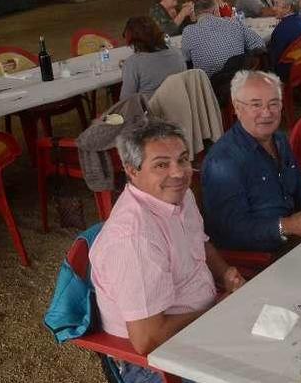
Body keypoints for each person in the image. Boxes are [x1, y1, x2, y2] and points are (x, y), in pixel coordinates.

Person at [90, 120, 245, 369]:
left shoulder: (180, 195)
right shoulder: (134, 240)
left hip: (206, 319)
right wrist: (216, 310)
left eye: (183, 160)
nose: (178, 173)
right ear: (132, 171)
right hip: (160, 360)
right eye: (161, 164)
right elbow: (147, 340)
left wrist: (225, 273)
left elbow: (200, 244)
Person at [201, 71, 301, 251]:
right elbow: (230, 231)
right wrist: (287, 226)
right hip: (265, 257)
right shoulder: (223, 161)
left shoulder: (280, 140)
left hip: (297, 241)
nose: (267, 112)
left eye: (273, 103)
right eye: (256, 105)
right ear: (237, 108)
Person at [180, 0, 266, 78]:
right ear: (215, 11)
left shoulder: (188, 32)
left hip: (210, 87)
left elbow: (184, 58)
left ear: (195, 15)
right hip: (240, 80)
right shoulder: (234, 23)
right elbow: (259, 44)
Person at [119, 17, 186, 99]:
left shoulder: (133, 63)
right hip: (179, 105)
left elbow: (125, 99)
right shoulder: (177, 53)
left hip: (150, 110)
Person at [267, 0, 301, 69]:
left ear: (288, 8)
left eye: (277, 5)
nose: (273, 8)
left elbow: (274, 56)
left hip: (287, 69)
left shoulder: (281, 29)